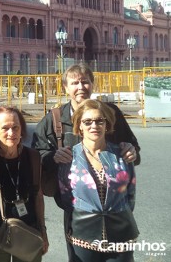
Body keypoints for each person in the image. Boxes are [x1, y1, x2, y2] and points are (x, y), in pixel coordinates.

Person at [32, 63, 140, 260]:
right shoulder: (55, 118)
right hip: (77, 207)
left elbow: (132, 148)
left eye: (85, 82)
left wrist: (132, 151)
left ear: (93, 85)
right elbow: (36, 152)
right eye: (75, 83)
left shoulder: (110, 113)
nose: (80, 87)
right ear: (65, 87)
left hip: (115, 205)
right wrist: (52, 157)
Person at [59, 99, 138, 261]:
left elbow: (131, 195)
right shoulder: (69, 157)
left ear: (106, 124)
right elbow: (65, 198)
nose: (94, 126)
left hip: (120, 233)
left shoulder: (122, 154)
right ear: (79, 125)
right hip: (83, 236)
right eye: (87, 121)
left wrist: (116, 214)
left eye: (99, 121)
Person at [0, 106, 48, 262]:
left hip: (28, 231)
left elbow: (38, 196)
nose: (11, 133)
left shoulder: (33, 157)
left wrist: (43, 232)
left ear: (21, 129)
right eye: (5, 128)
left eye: (15, 127)